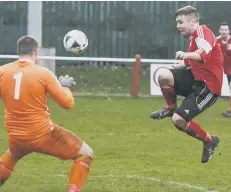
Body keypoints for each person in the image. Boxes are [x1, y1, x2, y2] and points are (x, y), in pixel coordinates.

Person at [0, 35, 93, 192]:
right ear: (36, 52)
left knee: (12, 156)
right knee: (86, 153)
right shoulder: (43, 73)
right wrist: (65, 86)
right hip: (42, 134)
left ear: (18, 52)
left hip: (16, 135)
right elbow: (67, 103)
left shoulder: (3, 71)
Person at [150, 6, 223, 163]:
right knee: (164, 76)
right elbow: (193, 60)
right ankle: (170, 107)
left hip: (208, 88)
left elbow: (205, 50)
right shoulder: (193, 37)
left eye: (180, 22)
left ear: (193, 22)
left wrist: (187, 55)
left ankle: (209, 141)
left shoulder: (203, 32)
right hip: (194, 78)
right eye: (177, 22)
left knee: (179, 121)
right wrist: (181, 64)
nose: (177, 26)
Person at [216, 22, 231, 117]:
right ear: (219, 31)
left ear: (229, 31)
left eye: (225, 29)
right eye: (222, 29)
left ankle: (230, 110)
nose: (224, 31)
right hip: (225, 70)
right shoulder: (216, 41)